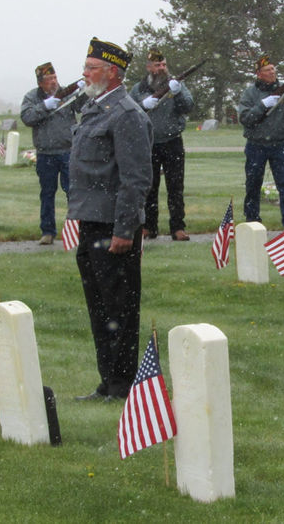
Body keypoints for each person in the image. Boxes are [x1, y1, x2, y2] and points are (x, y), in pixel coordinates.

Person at [69, 37, 153, 402]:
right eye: (86, 66)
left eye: (91, 68)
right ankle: (107, 381)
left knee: (118, 308)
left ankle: (122, 385)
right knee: (99, 308)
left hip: (112, 227)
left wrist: (124, 229)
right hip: (91, 222)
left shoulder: (127, 114)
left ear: (113, 73)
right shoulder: (95, 108)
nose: (84, 73)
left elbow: (135, 179)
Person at [129, 48, 193, 241]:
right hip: (148, 143)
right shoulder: (139, 89)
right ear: (149, 67)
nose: (162, 68)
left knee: (175, 187)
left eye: (164, 64)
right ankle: (149, 226)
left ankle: (178, 227)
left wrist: (178, 92)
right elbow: (128, 113)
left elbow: (188, 106)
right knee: (149, 186)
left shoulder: (176, 85)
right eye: (158, 65)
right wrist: (142, 106)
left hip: (173, 141)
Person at [237, 55, 284, 230]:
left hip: (279, 143)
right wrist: (263, 105)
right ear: (259, 74)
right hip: (256, 144)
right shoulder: (250, 93)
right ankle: (252, 221)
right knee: (253, 184)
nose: (272, 72)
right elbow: (245, 118)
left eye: (274, 69)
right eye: (268, 70)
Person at [21, 62, 86, 245]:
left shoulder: (66, 92)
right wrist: (45, 106)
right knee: (47, 193)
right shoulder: (32, 97)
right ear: (41, 82)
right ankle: (47, 231)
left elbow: (82, 106)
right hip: (45, 153)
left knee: (72, 192)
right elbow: (27, 117)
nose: (54, 82)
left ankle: (75, 231)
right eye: (49, 79)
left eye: (55, 78)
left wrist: (82, 90)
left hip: (67, 151)